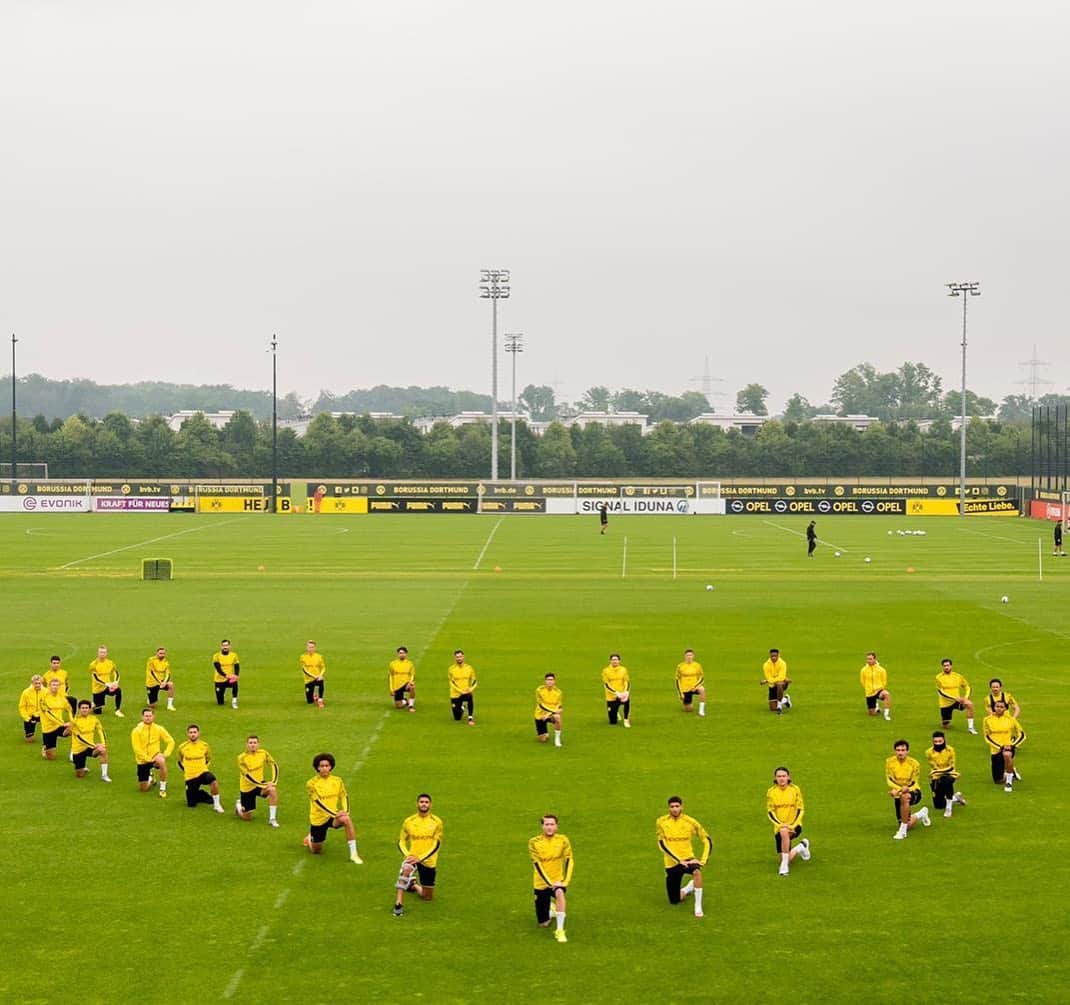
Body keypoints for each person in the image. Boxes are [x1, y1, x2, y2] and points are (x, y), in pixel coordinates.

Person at [303, 753, 363, 863]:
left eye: (327, 765)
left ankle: (354, 854)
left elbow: (344, 795)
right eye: (322, 766)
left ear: (331, 767)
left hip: (334, 816)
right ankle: (310, 839)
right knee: (316, 851)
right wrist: (335, 814)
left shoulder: (337, 780)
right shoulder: (311, 784)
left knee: (346, 820)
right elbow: (318, 803)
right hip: (318, 819)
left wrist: (345, 811)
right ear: (317, 767)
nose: (324, 768)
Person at [656, 796, 711, 912]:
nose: (675, 809)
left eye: (677, 806)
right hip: (671, 863)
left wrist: (703, 860)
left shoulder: (691, 822)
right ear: (668, 808)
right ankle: (687, 889)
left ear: (682, 807)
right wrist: (678, 860)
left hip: (688, 859)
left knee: (697, 872)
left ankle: (698, 907)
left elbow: (707, 840)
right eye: (672, 807)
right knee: (674, 900)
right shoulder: (661, 822)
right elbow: (661, 844)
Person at [393, 793, 443, 917]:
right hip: (412, 856)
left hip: (429, 860)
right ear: (417, 804)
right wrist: (407, 855)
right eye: (421, 802)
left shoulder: (437, 822)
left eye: (426, 802)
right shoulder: (409, 821)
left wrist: (420, 858)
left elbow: (436, 844)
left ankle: (413, 885)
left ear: (430, 805)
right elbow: (401, 841)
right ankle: (398, 904)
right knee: (405, 871)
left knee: (427, 897)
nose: (424, 804)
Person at [528, 814, 573, 943]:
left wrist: (564, 881)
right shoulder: (534, 842)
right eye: (547, 824)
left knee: (559, 893)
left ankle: (560, 930)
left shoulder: (563, 840)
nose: (549, 827)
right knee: (543, 924)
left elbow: (569, 860)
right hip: (541, 883)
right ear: (542, 826)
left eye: (552, 824)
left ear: (556, 826)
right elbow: (537, 865)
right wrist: (549, 883)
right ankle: (551, 910)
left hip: (558, 880)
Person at [765, 768, 811, 876]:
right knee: (784, 856)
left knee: (784, 832)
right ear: (775, 778)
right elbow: (770, 812)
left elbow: (800, 809)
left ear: (788, 777)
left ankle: (784, 867)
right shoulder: (771, 792)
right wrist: (780, 824)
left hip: (794, 826)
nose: (781, 778)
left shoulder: (795, 790)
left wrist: (793, 825)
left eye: (784, 776)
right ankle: (801, 846)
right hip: (779, 827)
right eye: (779, 776)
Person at [885, 740, 931, 839]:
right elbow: (889, 779)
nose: (900, 752)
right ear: (894, 751)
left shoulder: (914, 764)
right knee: (908, 824)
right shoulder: (889, 762)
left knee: (904, 797)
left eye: (903, 750)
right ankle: (922, 813)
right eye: (898, 750)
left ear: (907, 751)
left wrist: (904, 790)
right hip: (899, 792)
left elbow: (914, 782)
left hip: (913, 791)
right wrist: (897, 790)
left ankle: (902, 832)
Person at [177, 724, 225, 812]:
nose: (193, 734)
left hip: (203, 773)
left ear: (198, 733)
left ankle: (217, 805)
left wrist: (203, 768)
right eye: (191, 732)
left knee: (212, 780)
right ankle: (200, 794)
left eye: (195, 732)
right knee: (191, 804)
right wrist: (186, 771)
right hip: (190, 776)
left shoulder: (205, 746)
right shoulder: (182, 747)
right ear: (187, 734)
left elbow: (208, 759)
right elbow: (179, 762)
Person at [235, 734, 280, 826]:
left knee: (272, 791)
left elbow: (273, 764)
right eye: (250, 743)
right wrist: (264, 785)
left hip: (260, 784)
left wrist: (274, 782)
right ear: (247, 745)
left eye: (255, 743)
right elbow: (247, 776)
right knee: (247, 818)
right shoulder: (241, 758)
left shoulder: (263, 753)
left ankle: (272, 819)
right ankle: (239, 806)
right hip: (247, 788)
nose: (252, 745)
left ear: (258, 744)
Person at [130, 707, 175, 797]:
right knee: (143, 789)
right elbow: (136, 748)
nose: (148, 718)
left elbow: (171, 741)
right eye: (146, 716)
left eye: (150, 716)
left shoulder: (159, 729)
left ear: (153, 717)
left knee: (161, 761)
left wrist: (165, 754)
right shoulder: (136, 731)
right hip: (142, 760)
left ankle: (162, 788)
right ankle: (150, 779)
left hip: (155, 756)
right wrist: (147, 759)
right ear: (142, 717)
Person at [983, 700, 1026, 792]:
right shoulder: (987, 720)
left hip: (1008, 748)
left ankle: (1009, 782)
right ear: (994, 707)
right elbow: (987, 737)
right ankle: (1011, 771)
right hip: (995, 750)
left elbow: (1022, 734)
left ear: (1005, 708)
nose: (999, 708)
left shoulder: (1011, 720)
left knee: (1007, 755)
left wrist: (1012, 745)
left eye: (1001, 707)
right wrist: (1000, 746)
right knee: (998, 780)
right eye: (997, 706)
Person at [925, 731, 966, 818]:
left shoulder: (950, 750)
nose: (938, 743)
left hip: (950, 774)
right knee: (938, 805)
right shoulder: (929, 752)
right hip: (936, 777)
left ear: (944, 740)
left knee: (947, 781)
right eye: (935, 742)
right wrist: (936, 773)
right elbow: (934, 767)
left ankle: (949, 808)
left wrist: (936, 772)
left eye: (940, 741)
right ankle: (955, 798)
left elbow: (951, 767)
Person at [69, 699, 111, 782]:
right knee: (80, 775)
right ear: (79, 709)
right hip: (78, 750)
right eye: (83, 708)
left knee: (103, 751)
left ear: (89, 709)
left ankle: (104, 775)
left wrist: (103, 744)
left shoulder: (94, 719)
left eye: (86, 708)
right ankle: (79, 764)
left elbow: (100, 731)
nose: (84, 709)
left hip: (89, 747)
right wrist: (94, 745)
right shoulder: (75, 721)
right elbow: (79, 738)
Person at [935, 658, 976, 734]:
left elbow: (967, 686)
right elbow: (941, 692)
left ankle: (971, 728)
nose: (946, 667)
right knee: (946, 726)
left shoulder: (958, 676)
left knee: (969, 704)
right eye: (944, 666)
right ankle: (945, 722)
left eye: (948, 665)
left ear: (951, 666)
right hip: (945, 703)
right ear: (942, 667)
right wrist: (955, 698)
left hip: (958, 701)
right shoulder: (938, 677)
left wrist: (965, 698)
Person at [39, 677, 72, 761]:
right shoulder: (43, 698)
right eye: (53, 685)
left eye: (57, 685)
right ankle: (45, 748)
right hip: (48, 728)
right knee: (51, 758)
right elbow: (48, 714)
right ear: (49, 686)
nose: (55, 687)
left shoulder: (61, 697)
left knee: (73, 730)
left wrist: (72, 720)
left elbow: (69, 709)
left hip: (59, 726)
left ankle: (75, 753)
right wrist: (63, 723)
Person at [88, 645, 123, 717]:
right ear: (97, 653)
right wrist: (107, 684)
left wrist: (115, 682)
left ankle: (117, 710)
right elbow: (96, 678)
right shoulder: (93, 664)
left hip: (108, 687)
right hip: (98, 689)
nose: (102, 654)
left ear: (106, 653)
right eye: (101, 652)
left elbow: (116, 672)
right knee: (97, 711)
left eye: (104, 652)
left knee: (118, 691)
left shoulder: (110, 663)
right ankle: (92, 705)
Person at [601, 652, 631, 727]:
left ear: (619, 661)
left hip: (622, 694)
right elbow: (606, 685)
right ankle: (615, 712)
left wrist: (626, 691)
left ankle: (626, 720)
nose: (615, 661)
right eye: (613, 660)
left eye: (616, 659)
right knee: (613, 722)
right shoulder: (605, 671)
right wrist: (616, 693)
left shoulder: (623, 670)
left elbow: (626, 681)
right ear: (610, 661)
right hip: (611, 696)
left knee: (627, 703)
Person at [447, 650, 477, 725]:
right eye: (457, 657)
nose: (459, 658)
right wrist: (460, 691)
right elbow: (452, 683)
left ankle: (470, 717)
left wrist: (470, 689)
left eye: (460, 656)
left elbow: (474, 680)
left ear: (463, 657)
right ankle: (462, 707)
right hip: (455, 694)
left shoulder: (469, 668)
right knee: (457, 718)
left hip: (466, 692)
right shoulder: (451, 669)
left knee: (470, 696)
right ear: (455, 658)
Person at [859, 651, 891, 720]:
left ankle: (886, 714)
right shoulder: (863, 670)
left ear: (875, 659)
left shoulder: (881, 670)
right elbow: (862, 681)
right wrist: (869, 689)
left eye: (870, 659)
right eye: (867, 659)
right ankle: (876, 706)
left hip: (879, 690)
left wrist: (879, 688)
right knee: (872, 714)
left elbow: (884, 681)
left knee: (887, 694)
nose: (869, 661)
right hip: (869, 693)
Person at [534, 673, 563, 747]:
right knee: (543, 739)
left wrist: (549, 714)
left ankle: (557, 739)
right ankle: (545, 733)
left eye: (551, 680)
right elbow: (541, 705)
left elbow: (559, 707)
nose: (550, 681)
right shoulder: (539, 690)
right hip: (540, 715)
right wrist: (549, 712)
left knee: (557, 717)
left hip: (550, 715)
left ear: (554, 681)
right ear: (545, 681)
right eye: (548, 680)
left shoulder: (558, 692)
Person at [675, 649, 706, 717]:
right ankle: (688, 702)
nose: (689, 657)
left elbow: (702, 678)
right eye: (687, 655)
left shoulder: (697, 665)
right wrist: (680, 693)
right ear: (685, 656)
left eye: (690, 655)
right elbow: (677, 680)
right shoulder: (680, 666)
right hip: (685, 689)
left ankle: (701, 711)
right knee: (688, 710)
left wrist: (695, 686)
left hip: (694, 687)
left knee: (702, 689)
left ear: (693, 656)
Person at [760, 648, 792, 714]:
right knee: (772, 708)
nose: (773, 658)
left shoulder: (782, 663)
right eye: (772, 656)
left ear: (778, 655)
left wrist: (767, 680)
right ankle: (786, 699)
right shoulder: (766, 665)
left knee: (779, 683)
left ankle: (779, 706)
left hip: (782, 684)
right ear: (770, 656)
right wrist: (768, 680)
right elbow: (769, 678)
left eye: (775, 656)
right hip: (771, 686)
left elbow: (781, 677)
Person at [145, 646, 176, 712]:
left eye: (163, 653)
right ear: (157, 653)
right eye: (160, 653)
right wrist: (160, 682)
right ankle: (149, 698)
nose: (162, 655)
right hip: (152, 683)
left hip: (161, 682)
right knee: (153, 706)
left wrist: (164, 682)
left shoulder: (166, 662)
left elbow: (168, 673)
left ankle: (170, 705)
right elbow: (152, 673)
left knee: (171, 685)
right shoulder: (151, 660)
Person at [212, 639, 240, 709]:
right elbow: (218, 668)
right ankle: (222, 693)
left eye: (226, 645)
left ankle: (234, 701)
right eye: (223, 645)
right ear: (221, 646)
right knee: (220, 703)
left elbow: (237, 666)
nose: (225, 647)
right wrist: (226, 675)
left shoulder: (234, 655)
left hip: (229, 679)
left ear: (229, 646)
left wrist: (236, 675)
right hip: (219, 679)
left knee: (235, 684)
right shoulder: (216, 656)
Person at [18, 675, 45, 743]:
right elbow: (22, 706)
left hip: (43, 714)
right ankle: (29, 735)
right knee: (29, 740)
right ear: (32, 683)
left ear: (41, 683)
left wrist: (38, 714)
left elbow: (48, 706)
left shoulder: (46, 692)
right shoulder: (26, 692)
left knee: (50, 735)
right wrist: (27, 718)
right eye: (36, 683)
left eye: (39, 683)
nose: (38, 685)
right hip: (30, 716)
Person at [389, 646, 416, 711]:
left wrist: (410, 682)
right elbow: (391, 676)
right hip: (397, 686)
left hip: (406, 683)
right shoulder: (392, 664)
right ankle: (405, 701)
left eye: (403, 653)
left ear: (406, 654)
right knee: (398, 706)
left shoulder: (409, 664)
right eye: (400, 653)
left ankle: (411, 706)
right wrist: (391, 689)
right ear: (398, 654)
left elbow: (412, 674)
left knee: (412, 687)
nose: (402, 654)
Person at [300, 640, 326, 707]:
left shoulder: (319, 657)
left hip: (317, 678)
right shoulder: (303, 657)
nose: (311, 649)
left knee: (321, 681)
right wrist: (313, 676)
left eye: (312, 647)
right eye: (309, 647)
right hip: (308, 680)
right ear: (307, 647)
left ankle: (320, 700)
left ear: (315, 648)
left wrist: (320, 675)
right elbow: (304, 670)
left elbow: (323, 667)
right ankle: (314, 696)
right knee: (310, 702)